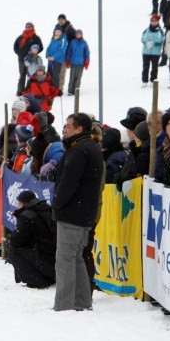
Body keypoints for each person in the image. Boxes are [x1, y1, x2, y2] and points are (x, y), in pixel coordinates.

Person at [52, 113, 105, 312]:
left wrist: (57, 203)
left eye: (67, 126)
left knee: (65, 258)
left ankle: (64, 305)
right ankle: (82, 301)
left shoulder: (78, 151)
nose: (64, 129)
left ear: (79, 129)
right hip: (85, 212)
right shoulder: (92, 147)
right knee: (76, 257)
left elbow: (69, 183)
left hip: (72, 213)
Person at [9, 190, 56, 288]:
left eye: (18, 203)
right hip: (53, 257)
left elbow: (16, 240)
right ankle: (46, 277)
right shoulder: (45, 210)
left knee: (12, 249)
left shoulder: (27, 215)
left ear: (22, 203)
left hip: (43, 256)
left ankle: (37, 281)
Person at [13, 22, 43, 96]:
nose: (27, 28)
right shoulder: (20, 37)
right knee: (22, 75)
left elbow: (41, 47)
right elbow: (15, 46)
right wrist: (19, 53)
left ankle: (30, 90)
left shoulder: (36, 38)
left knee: (32, 76)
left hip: (32, 61)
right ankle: (20, 91)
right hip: (22, 60)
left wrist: (34, 53)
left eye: (29, 26)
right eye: (26, 26)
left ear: (32, 27)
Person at [64, 29, 90, 96]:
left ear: (81, 35)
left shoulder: (84, 43)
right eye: (77, 34)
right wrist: (67, 60)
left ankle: (76, 91)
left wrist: (87, 61)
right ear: (75, 35)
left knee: (78, 78)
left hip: (81, 63)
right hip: (73, 63)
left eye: (79, 34)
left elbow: (87, 53)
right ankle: (70, 91)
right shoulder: (73, 42)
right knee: (72, 77)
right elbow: (69, 52)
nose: (78, 35)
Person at [141, 14, 165, 86]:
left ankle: (153, 80)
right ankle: (144, 81)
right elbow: (143, 38)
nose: (154, 22)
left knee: (154, 66)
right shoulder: (147, 30)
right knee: (145, 66)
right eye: (152, 21)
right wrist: (146, 42)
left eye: (155, 21)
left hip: (155, 52)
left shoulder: (160, 31)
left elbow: (160, 39)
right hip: (146, 51)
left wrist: (153, 42)